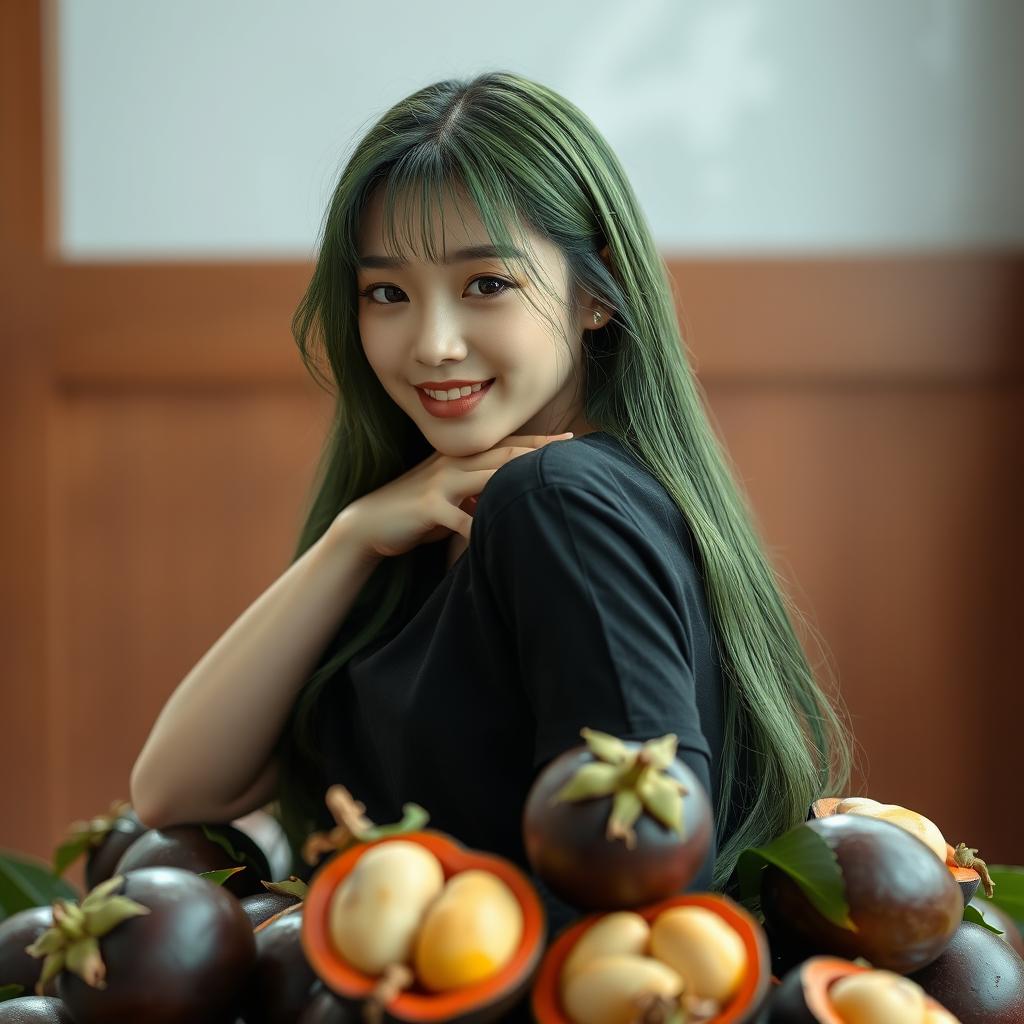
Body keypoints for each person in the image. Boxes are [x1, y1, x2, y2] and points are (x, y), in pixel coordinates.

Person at [129, 71, 853, 939]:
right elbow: (175, 790)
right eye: (387, 293)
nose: (432, 344)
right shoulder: (429, 519)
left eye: (486, 285)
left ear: (596, 291)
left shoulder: (560, 501)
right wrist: (351, 538)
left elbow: (644, 902)